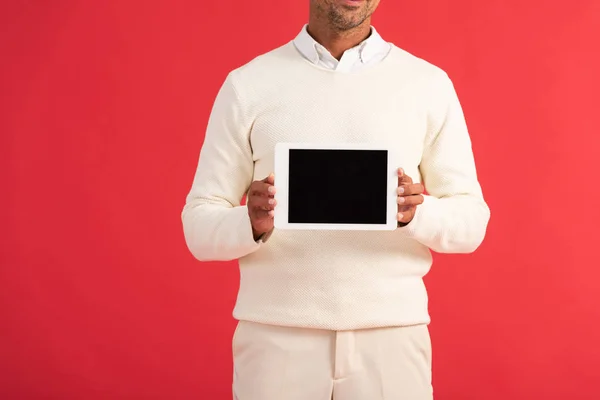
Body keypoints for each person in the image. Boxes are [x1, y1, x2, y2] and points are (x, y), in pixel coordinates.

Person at [181, 0, 490, 398]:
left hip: (391, 338)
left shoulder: (427, 84)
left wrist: (418, 214)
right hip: (276, 338)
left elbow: (472, 221)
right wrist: (250, 223)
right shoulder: (248, 85)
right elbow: (198, 224)